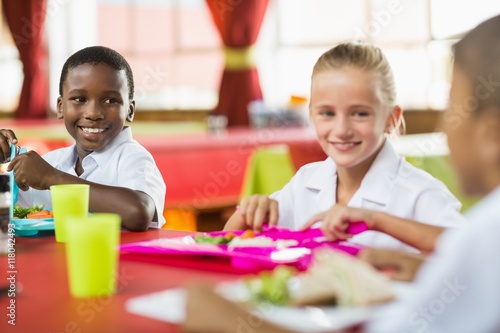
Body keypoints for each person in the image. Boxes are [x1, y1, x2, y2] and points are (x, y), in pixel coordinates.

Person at [225, 41, 466, 252]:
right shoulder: (306, 183)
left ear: (390, 119)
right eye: (327, 113)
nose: (342, 129)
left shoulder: (419, 193)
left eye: (360, 113)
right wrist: (247, 213)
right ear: (311, 115)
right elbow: (226, 241)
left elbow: (471, 252)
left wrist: (374, 219)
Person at [360, 14, 500, 333]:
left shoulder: (487, 237)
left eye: (452, 110)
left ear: (492, 135)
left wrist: (224, 314)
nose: (442, 128)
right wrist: (431, 271)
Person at [0, 46, 166, 231]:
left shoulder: (132, 158)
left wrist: (52, 179)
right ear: (61, 107)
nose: (93, 113)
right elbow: (6, 215)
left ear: (130, 110)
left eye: (110, 101)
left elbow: (138, 212)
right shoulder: (51, 162)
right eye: (79, 99)